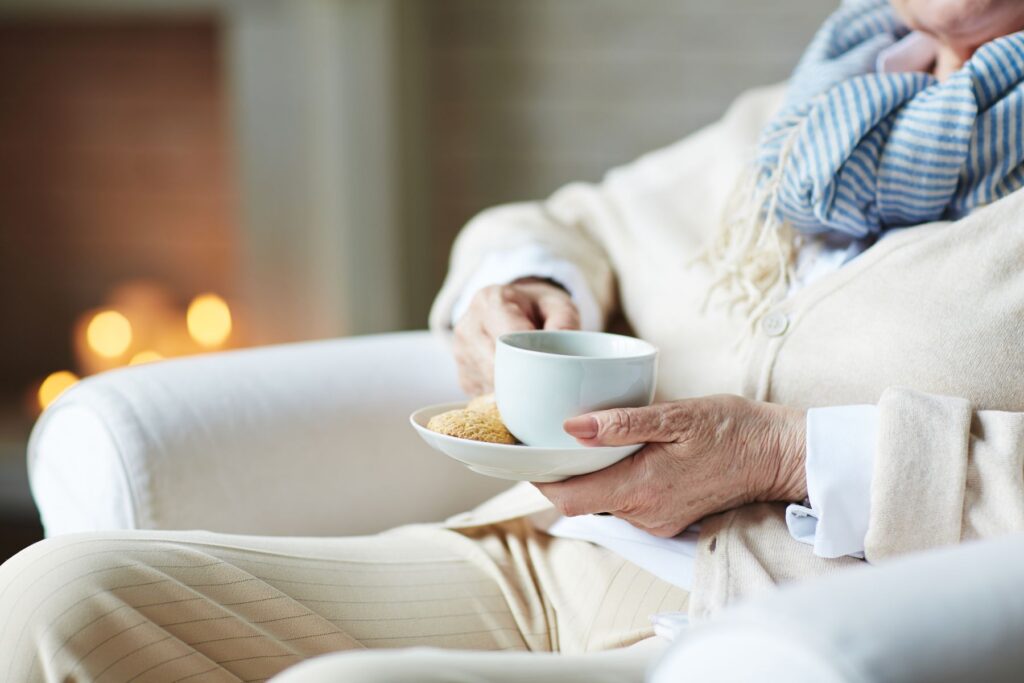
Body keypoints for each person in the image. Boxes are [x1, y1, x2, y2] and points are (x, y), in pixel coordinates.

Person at [3, 0, 1024, 680]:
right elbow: (570, 217)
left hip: (762, 624)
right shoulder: (809, 121)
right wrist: (521, 283)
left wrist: (790, 452)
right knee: (52, 597)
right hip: (544, 559)